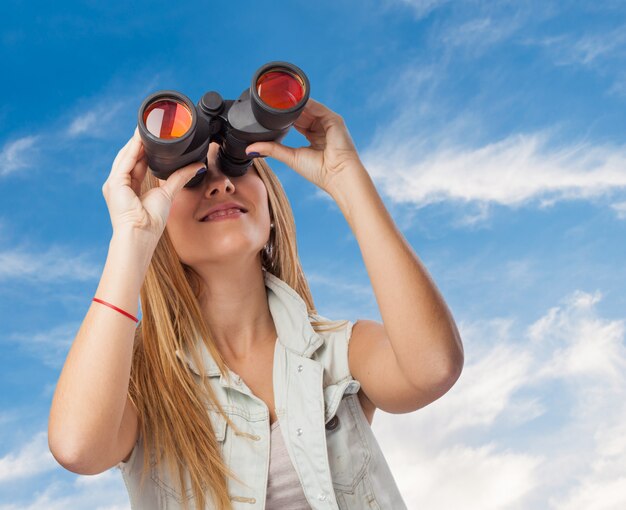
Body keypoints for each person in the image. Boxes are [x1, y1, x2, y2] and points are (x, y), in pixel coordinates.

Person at [48, 97, 464, 510]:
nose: (221, 183)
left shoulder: (340, 353)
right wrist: (132, 236)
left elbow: (433, 368)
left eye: (237, 165)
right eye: (189, 177)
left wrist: (345, 178)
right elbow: (77, 447)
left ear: (269, 203)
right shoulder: (141, 382)